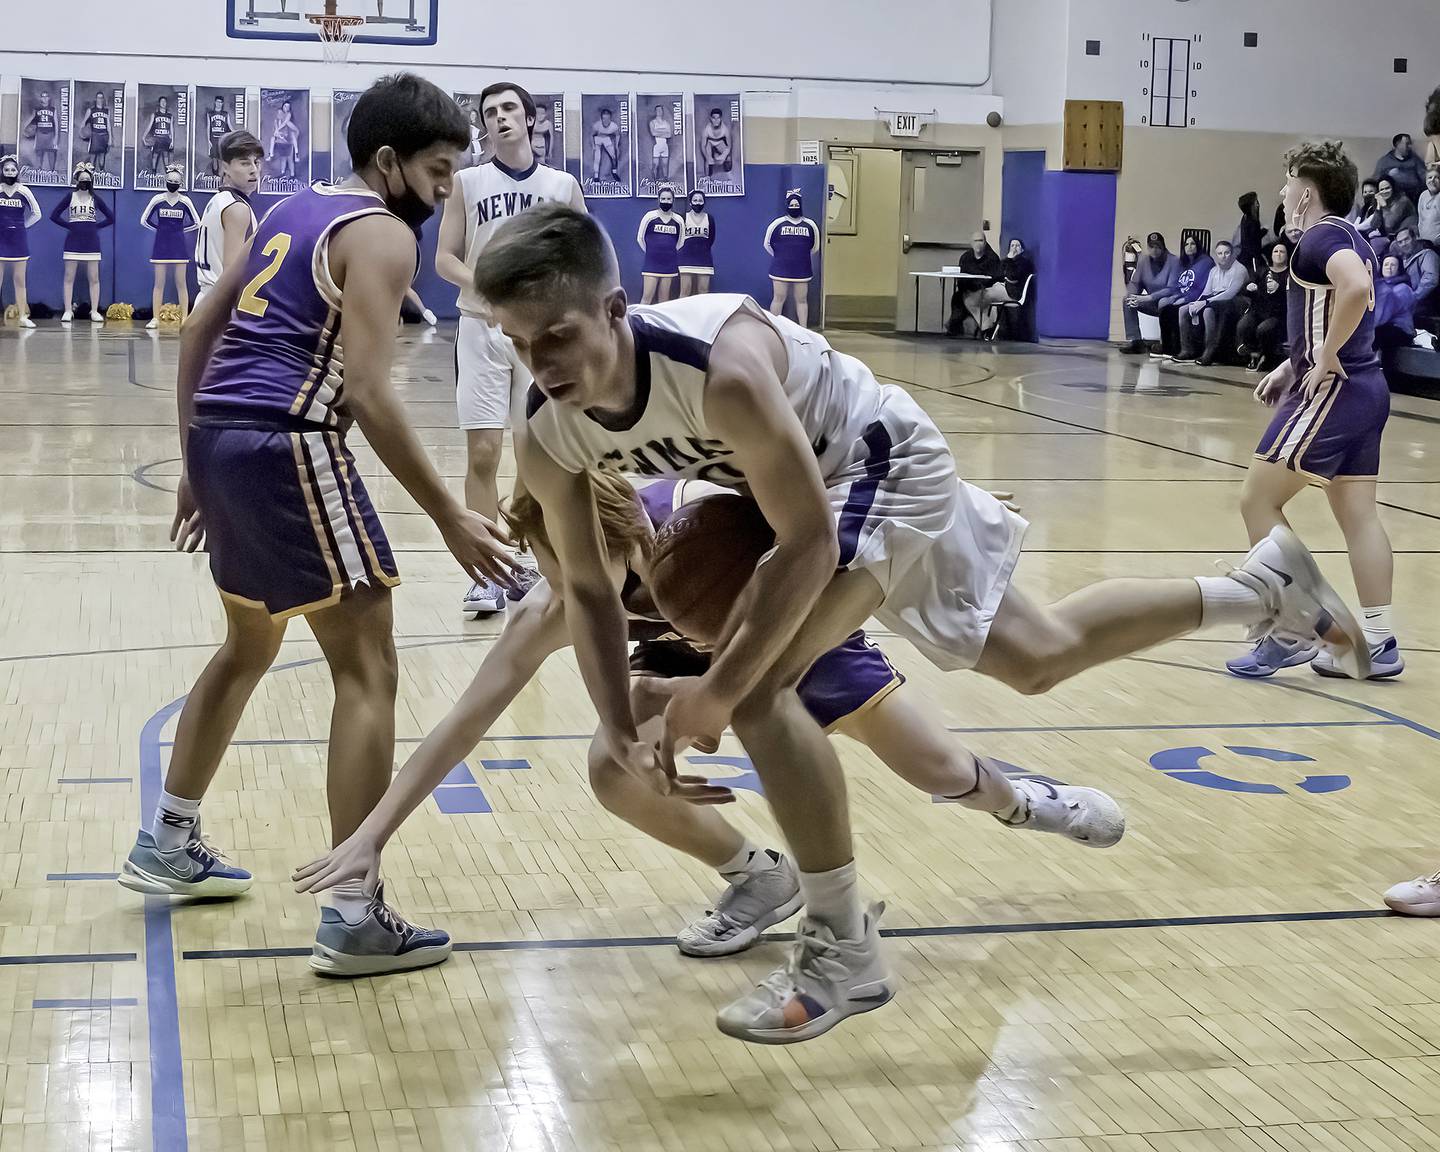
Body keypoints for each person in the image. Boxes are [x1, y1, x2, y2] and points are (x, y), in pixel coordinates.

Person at [474, 202, 1364, 1044]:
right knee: (1035, 656)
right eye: (519, 343)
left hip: (877, 464)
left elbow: (808, 542)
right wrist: (614, 725)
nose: (541, 363)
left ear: (616, 309)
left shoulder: (721, 372)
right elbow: (587, 591)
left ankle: (842, 953)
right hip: (831, 493)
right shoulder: (547, 428)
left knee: (760, 695)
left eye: (558, 335)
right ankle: (1259, 586)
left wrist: (719, 688)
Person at [293, 472, 1126, 954]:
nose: (570, 589)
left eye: (583, 571)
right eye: (555, 572)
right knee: (612, 767)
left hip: (778, 623)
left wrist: (952, 505)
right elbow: (463, 721)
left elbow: (836, 498)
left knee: (935, 769)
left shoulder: (704, 518)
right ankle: (760, 877)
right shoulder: (557, 603)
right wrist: (373, 834)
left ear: (623, 534)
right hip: (690, 647)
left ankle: (1022, 800)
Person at [115, 73, 518, 978]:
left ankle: (168, 837)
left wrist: (192, 457)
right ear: (388, 163)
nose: (449, 187)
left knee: (249, 644)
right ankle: (353, 911)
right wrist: (451, 515)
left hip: (225, 436)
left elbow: (194, 334)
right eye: (440, 169)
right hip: (289, 441)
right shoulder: (378, 234)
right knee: (368, 665)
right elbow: (370, 392)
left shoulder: (288, 206)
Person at [1228, 140, 1401, 681]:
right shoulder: (1353, 237)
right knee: (1359, 517)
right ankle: (1378, 641)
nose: (1281, 193)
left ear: (1306, 191)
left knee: (1257, 501)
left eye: (1286, 184)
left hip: (1337, 391)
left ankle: (1295, 628)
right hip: (1369, 389)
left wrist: (1323, 358)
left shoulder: (1321, 236)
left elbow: (1354, 287)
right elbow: (1334, 303)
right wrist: (1294, 360)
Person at [434, 80, 587, 617]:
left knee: (533, 451)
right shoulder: (465, 182)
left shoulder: (562, 185)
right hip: (480, 328)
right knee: (483, 452)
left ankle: (522, 559)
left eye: (509, 109)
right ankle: (486, 574)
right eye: (490, 112)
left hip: (540, 337)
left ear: (530, 118)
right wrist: (489, 286)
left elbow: (582, 256)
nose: (500, 118)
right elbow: (445, 259)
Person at [194, 131, 262, 306]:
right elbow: (231, 277)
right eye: (245, 163)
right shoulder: (237, 209)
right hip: (221, 309)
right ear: (225, 167)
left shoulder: (218, 200)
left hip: (207, 301)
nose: (254, 170)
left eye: (256, 162)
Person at [50, 162, 114, 324]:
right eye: (82, 179)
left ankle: (94, 311)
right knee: (69, 276)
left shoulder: (95, 198)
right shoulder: (70, 197)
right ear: (76, 179)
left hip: (92, 242)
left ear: (91, 181)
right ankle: (67, 310)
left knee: (94, 277)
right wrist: (70, 225)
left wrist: (94, 227)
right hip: (73, 241)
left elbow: (111, 218)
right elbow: (54, 215)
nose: (85, 182)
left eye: (88, 179)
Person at [140, 165, 201, 328]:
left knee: (181, 283)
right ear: (165, 181)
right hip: (161, 246)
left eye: (176, 181)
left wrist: (179, 231)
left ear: (181, 183)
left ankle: (185, 319)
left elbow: (197, 222)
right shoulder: (157, 200)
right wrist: (160, 230)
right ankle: (155, 318)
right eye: (170, 181)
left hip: (179, 246)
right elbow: (144, 220)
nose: (173, 183)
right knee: (159, 283)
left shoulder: (185, 201)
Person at [1174, 240, 1248, 366]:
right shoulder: (1214, 270)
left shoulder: (1240, 269)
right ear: (1216, 255)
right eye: (1220, 253)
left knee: (1208, 309)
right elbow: (1206, 291)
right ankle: (1187, 350)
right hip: (1214, 299)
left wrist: (1205, 302)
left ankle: (1210, 350)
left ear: (1232, 254)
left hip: (1235, 301)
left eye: (1226, 253)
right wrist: (1196, 303)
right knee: (1183, 309)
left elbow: (1230, 293)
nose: (1223, 256)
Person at [764, 190, 820, 327]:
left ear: (800, 205)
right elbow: (767, 244)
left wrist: (800, 257)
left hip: (802, 270)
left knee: (801, 299)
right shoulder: (777, 224)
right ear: (787, 205)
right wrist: (781, 257)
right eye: (792, 204)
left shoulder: (810, 225)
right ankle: (774, 328)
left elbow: (815, 247)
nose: (794, 207)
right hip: (780, 269)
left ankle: (803, 330)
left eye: (796, 204)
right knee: (778, 298)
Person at [0, 155, 42, 328]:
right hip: (1, 239)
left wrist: (22, 226)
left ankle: (23, 316)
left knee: (19, 279)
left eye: (13, 169)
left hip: (18, 239)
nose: (10, 172)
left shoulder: (24, 190)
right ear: (2, 171)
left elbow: (37, 213)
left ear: (17, 172)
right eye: (6, 169)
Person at [1235, 241, 1291, 372]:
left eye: (1282, 252)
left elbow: (1292, 296)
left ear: (1287, 256)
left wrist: (1280, 288)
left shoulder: (1289, 275)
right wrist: (1248, 288)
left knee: (1263, 329)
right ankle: (1252, 352)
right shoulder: (1262, 271)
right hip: (1258, 311)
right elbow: (1244, 290)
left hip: (1278, 314)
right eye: (1275, 251)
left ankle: (1266, 356)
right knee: (1243, 325)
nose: (1278, 254)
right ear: (1271, 255)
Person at [1119, 232, 1179, 353]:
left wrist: (1148, 298)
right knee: (1127, 301)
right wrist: (1133, 296)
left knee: (1163, 302)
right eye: (1152, 247)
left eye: (1158, 247)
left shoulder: (1174, 261)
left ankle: (1165, 343)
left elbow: (1171, 288)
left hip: (1170, 304)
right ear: (1148, 247)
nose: (1155, 250)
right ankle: (1136, 341)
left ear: (1163, 247)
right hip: (1151, 303)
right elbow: (1135, 283)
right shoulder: (1143, 261)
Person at [1154, 235, 1212, 360]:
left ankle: (1181, 349)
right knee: (1165, 309)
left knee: (1172, 311)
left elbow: (1202, 288)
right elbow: (1179, 285)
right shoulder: (1184, 263)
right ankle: (1167, 348)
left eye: (1192, 244)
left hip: (1196, 299)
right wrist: (1174, 297)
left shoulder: (1206, 262)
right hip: (1183, 297)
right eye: (1186, 244)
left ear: (1198, 246)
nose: (1189, 247)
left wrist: (1185, 299)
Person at [947, 231, 1003, 338]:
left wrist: (975, 285)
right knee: (957, 297)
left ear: (985, 242)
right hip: (968, 289)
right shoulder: (965, 257)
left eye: (981, 241)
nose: (978, 243)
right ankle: (955, 327)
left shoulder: (992, 258)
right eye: (976, 241)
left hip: (985, 291)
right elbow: (961, 277)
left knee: (967, 299)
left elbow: (995, 278)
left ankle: (985, 326)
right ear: (971, 243)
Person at [637, 187, 682, 303]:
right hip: (652, 263)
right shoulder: (649, 216)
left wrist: (668, 252)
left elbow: (680, 241)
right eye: (663, 198)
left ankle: (659, 322)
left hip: (669, 263)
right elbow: (640, 238)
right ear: (658, 200)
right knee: (647, 297)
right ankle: (640, 320)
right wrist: (652, 252)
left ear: (673, 200)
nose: (666, 201)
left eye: (668, 199)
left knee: (664, 299)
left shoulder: (678, 220)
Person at [1393, 226, 1439, 324]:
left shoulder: (1427, 254)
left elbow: (1430, 279)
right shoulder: (1402, 259)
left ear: (1415, 238)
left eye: (1406, 239)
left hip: (1425, 304)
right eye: (1400, 242)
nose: (1403, 244)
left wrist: (1413, 298)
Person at [1373, 254, 1416, 357]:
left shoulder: (1403, 289)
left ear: (1399, 269)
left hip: (1401, 331)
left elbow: (1382, 317)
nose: (1389, 267)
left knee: (1375, 334)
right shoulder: (1380, 285)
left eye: (1393, 265)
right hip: (1386, 327)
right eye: (1386, 264)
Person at [678, 190, 715, 296]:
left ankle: (703, 312)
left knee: (703, 291)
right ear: (690, 203)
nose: (697, 203)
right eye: (695, 200)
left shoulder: (709, 218)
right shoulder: (683, 217)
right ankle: (682, 312)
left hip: (704, 258)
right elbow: (679, 237)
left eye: (700, 200)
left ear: (704, 202)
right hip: (686, 258)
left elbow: (711, 238)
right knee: (685, 290)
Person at [1373, 133, 1427, 204]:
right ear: (1397, 145)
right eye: (1407, 144)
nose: (1410, 146)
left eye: (1410, 144)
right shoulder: (1384, 162)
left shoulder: (1415, 160)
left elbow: (1424, 177)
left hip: (1413, 197)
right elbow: (1376, 181)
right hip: (1393, 200)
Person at [23, 89, 59, 174]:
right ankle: (38, 171)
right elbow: (31, 118)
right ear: (41, 99)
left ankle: (52, 172)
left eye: (46, 96)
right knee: (39, 153)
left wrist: (56, 137)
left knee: (51, 153)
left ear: (49, 98)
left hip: (50, 133)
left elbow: (56, 124)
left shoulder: (53, 109)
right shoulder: (37, 109)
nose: (45, 98)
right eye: (43, 96)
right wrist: (23, 127)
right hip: (39, 133)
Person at [80, 91, 113, 174]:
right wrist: (81, 132)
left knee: (102, 158)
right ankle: (90, 176)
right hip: (95, 135)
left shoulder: (107, 111)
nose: (100, 99)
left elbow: (108, 125)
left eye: (101, 98)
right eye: (98, 97)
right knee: (92, 158)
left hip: (104, 135)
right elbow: (83, 122)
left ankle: (101, 175)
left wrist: (110, 138)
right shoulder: (91, 110)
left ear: (103, 99)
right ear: (96, 99)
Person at [1234, 192, 1265, 273]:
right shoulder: (1252, 222)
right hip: (1250, 259)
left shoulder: (1245, 218)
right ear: (1250, 206)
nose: (1258, 205)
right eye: (1256, 203)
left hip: (1247, 256)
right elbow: (1252, 243)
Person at [145, 96, 176, 176]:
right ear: (159, 103)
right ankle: (153, 171)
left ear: (166, 103)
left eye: (164, 101)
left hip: (166, 138)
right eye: (162, 101)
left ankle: (167, 172)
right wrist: (144, 136)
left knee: (166, 154)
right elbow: (149, 126)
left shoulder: (170, 116)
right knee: (155, 155)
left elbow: (171, 129)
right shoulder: (155, 114)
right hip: (157, 137)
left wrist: (172, 140)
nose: (163, 103)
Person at [205, 96, 233, 179]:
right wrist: (208, 140)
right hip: (213, 138)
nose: (219, 104)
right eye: (217, 102)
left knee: (221, 158)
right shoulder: (210, 114)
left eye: (220, 102)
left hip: (222, 139)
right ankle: (214, 176)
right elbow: (208, 127)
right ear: (215, 102)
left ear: (222, 103)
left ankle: (220, 177)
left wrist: (236, 132)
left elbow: (230, 126)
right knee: (214, 158)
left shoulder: (225, 114)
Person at [700, 108, 732, 178]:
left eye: (718, 118)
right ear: (710, 119)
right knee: (708, 162)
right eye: (714, 118)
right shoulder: (706, 130)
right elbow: (703, 146)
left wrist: (724, 156)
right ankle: (707, 178)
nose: (716, 120)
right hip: (709, 142)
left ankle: (728, 173)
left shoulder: (725, 130)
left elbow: (729, 146)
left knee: (728, 159)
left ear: (721, 119)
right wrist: (707, 157)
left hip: (720, 142)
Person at [591, 108, 620, 183]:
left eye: (608, 118)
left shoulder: (614, 126)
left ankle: (614, 172)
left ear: (610, 118)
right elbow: (592, 135)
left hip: (606, 138)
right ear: (601, 119)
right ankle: (596, 176)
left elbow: (617, 135)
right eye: (604, 118)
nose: (606, 121)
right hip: (598, 138)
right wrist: (593, 145)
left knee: (613, 156)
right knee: (597, 158)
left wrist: (616, 146)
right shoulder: (597, 125)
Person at [647, 103, 673, 182]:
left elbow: (669, 135)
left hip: (665, 146)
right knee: (655, 165)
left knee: (665, 165)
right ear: (655, 112)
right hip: (657, 146)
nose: (659, 111)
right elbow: (653, 133)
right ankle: (654, 180)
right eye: (657, 110)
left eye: (660, 110)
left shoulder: (666, 123)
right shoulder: (652, 122)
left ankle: (665, 179)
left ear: (662, 111)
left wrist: (658, 131)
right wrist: (664, 132)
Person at [1418, 165, 1440, 247]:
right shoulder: (1423, 195)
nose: (1433, 180)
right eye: (1430, 177)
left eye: (1437, 177)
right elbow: (1420, 221)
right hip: (1424, 243)